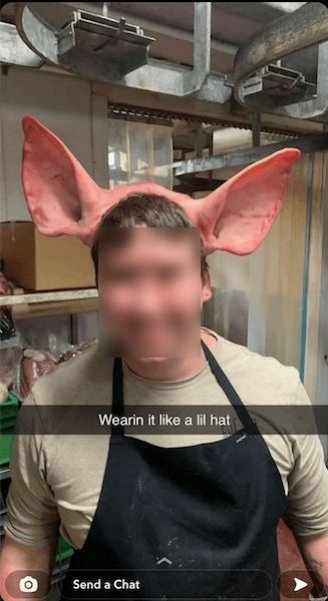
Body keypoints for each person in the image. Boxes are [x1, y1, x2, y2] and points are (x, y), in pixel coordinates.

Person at [0, 193, 327, 601]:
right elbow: (26, 553)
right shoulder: (51, 408)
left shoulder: (277, 392)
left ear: (204, 283)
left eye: (169, 274)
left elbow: (319, 534)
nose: (147, 306)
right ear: (99, 284)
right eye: (122, 277)